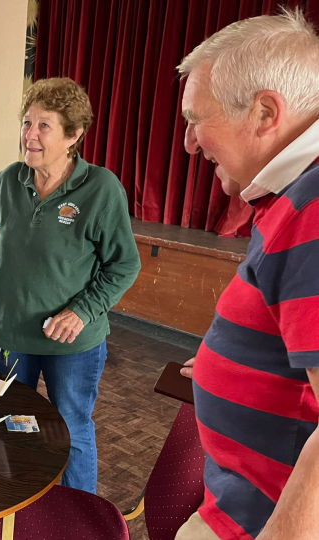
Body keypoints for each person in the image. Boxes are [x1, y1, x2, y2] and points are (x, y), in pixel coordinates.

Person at [174, 9, 319, 540]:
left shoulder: (313, 209)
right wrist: (231, 359)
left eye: (196, 119)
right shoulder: (292, 198)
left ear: (264, 113)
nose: (190, 143)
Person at [0, 77, 141, 494]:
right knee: (15, 423)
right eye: (27, 123)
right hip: (10, 332)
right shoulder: (10, 180)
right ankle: (21, 503)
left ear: (74, 135)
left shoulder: (101, 189)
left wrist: (82, 310)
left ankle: (79, 514)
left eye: (44, 126)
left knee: (71, 427)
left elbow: (124, 265)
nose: (30, 135)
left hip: (72, 344)